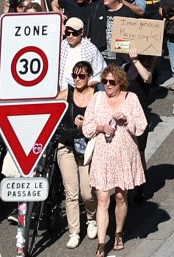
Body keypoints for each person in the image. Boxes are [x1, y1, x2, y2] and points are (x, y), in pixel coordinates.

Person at [79, 66, 146, 254]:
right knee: (102, 198)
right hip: (102, 155)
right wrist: (100, 127)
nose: (107, 85)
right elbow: (87, 127)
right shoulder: (97, 98)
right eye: (105, 81)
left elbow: (141, 127)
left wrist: (126, 120)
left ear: (120, 83)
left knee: (120, 197)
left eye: (112, 82)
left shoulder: (131, 99)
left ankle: (118, 232)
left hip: (124, 155)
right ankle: (101, 244)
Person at [54, 61, 98, 250]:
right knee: (70, 192)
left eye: (81, 76)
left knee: (87, 191)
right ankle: (74, 232)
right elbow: (52, 110)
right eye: (74, 75)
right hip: (66, 145)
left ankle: (91, 218)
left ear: (89, 77)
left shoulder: (96, 96)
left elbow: (103, 119)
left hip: (86, 147)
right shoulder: (67, 94)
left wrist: (87, 122)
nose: (77, 79)